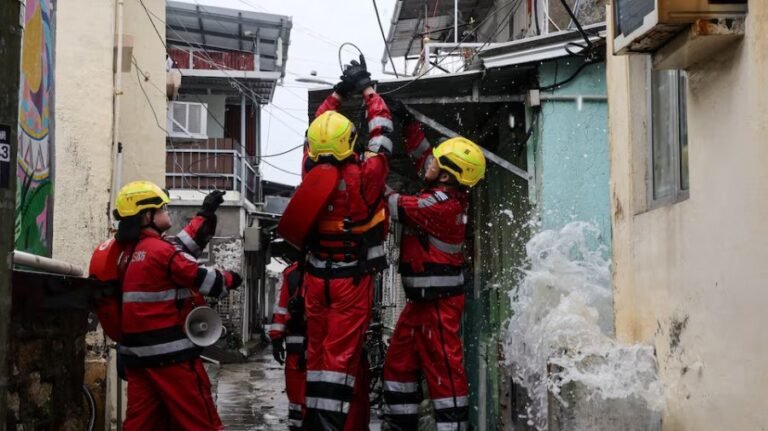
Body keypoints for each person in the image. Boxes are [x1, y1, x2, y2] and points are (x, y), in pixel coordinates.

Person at [288, 56, 393, 431]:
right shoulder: (366, 174)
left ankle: (313, 420)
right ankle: (330, 424)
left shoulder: (308, 171)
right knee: (341, 357)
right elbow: (381, 133)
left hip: (317, 278)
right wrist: (367, 89)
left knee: (317, 352)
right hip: (351, 280)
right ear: (350, 141)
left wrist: (337, 92)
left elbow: (315, 128)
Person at [381, 101, 486, 431]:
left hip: (439, 306)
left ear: (446, 175)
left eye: (437, 162)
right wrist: (410, 125)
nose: (428, 163)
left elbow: (392, 203)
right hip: (422, 303)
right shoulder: (444, 188)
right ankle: (401, 426)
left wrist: (366, 168)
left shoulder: (438, 205)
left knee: (445, 376)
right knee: (398, 366)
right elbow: (425, 158)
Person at [111, 181, 242, 431]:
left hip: (138, 358)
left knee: (140, 424)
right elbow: (202, 278)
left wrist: (206, 212)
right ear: (146, 216)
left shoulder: (127, 254)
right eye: (161, 208)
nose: (167, 211)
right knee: (201, 421)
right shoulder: (162, 252)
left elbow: (182, 245)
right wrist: (231, 279)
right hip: (172, 359)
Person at [269, 256, 307, 431]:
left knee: (298, 396)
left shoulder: (293, 273)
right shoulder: (341, 268)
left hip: (298, 350)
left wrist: (277, 339)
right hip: (323, 349)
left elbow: (281, 308)